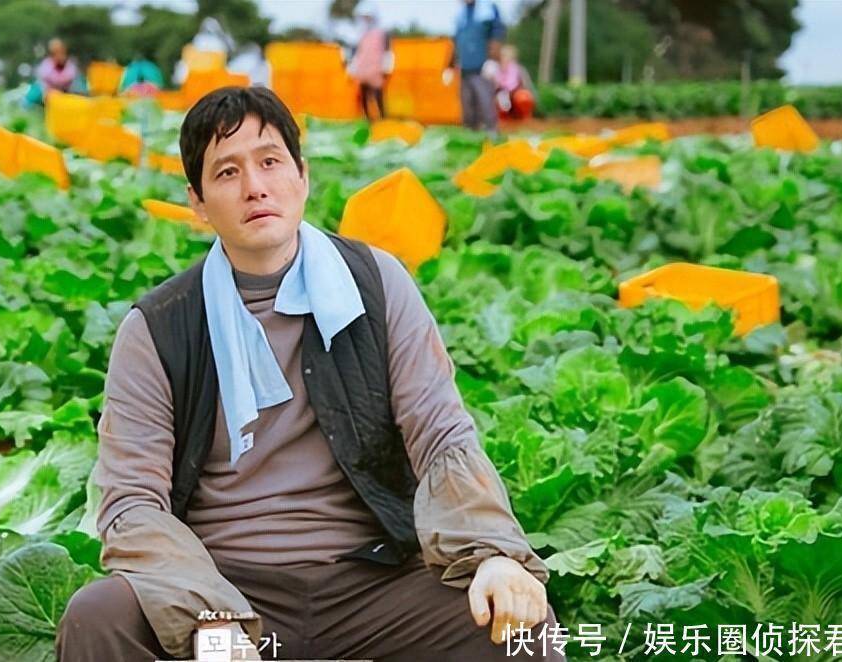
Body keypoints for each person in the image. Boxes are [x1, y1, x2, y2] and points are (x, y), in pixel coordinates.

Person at [55, 86, 562, 662]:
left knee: (521, 629)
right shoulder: (158, 327)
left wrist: (492, 552)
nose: (255, 186)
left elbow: (440, 432)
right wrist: (207, 616)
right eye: (227, 172)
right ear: (198, 202)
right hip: (225, 583)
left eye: (270, 161)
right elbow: (132, 501)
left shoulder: (377, 284)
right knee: (98, 618)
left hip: (371, 582)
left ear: (302, 175)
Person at [452, 0, 505, 133]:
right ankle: (471, 137)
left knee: (485, 104)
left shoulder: (487, 9)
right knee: (468, 109)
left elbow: (497, 34)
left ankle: (491, 135)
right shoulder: (461, 14)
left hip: (482, 68)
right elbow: (457, 40)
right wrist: (452, 63)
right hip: (465, 69)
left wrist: (493, 59)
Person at [348, 0, 391, 122]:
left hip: (376, 69)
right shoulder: (360, 34)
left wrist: (386, 66)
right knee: (363, 95)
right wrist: (353, 67)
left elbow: (387, 50)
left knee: (378, 95)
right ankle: (368, 120)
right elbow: (357, 53)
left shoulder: (381, 33)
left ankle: (383, 120)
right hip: (363, 70)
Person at [488, 43, 536, 121]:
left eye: (505, 56)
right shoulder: (495, 69)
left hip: (515, 97)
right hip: (502, 97)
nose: (502, 58)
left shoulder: (519, 70)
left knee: (523, 97)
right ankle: (504, 120)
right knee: (500, 98)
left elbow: (529, 89)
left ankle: (524, 119)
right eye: (501, 56)